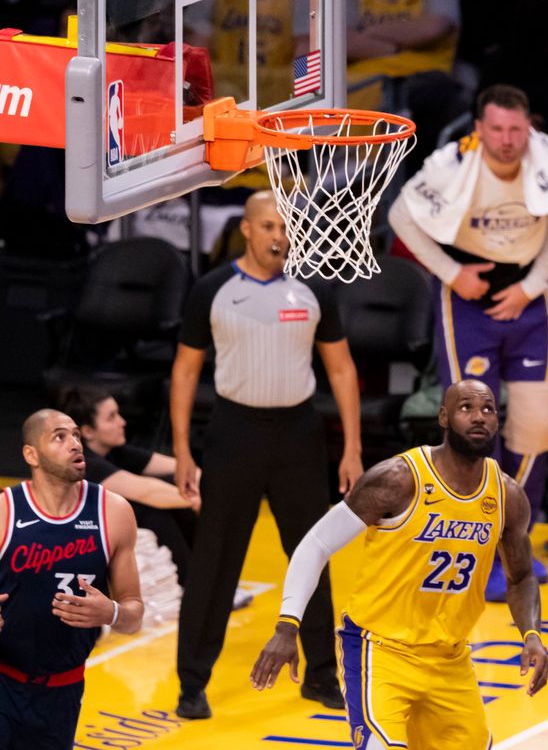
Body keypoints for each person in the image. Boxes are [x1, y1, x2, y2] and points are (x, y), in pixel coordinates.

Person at [250, 380, 548, 749]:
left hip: (449, 658)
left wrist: (531, 635)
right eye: (466, 407)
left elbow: (521, 577)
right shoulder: (398, 479)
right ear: (443, 416)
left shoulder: (507, 495)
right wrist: (287, 625)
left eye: (487, 409)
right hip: (381, 649)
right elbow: (316, 544)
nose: (478, 416)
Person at [170, 191, 363, 719]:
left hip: (299, 433)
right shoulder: (212, 289)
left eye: (286, 226)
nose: (279, 235)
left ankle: (322, 674)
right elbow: (186, 372)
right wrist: (183, 449)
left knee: (312, 553)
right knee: (216, 560)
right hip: (234, 432)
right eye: (269, 226)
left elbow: (342, 369)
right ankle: (193, 683)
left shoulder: (316, 286)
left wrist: (352, 447)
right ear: (248, 231)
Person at [389, 84, 548, 598]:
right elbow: (400, 216)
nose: (508, 140)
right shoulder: (452, 163)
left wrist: (531, 288)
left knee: (537, 425)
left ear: (528, 127)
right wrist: (453, 274)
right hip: (467, 295)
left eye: (517, 129)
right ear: (479, 127)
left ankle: (517, 542)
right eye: (497, 128)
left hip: (529, 296)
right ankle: (475, 547)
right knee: (474, 424)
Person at [0, 410, 143, 747]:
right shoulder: (5, 512)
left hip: (63, 692)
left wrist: (111, 613)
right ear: (31, 455)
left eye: (77, 435)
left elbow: (134, 613)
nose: (74, 444)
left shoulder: (113, 512)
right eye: (59, 436)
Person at [62, 387, 199, 585]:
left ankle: (204, 579)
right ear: (88, 431)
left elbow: (182, 469)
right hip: (75, 533)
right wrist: (198, 499)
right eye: (111, 417)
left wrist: (201, 485)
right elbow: (147, 492)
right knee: (152, 510)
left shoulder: (116, 450)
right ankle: (193, 584)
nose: (122, 422)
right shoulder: (85, 462)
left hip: (101, 525)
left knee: (175, 484)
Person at [185, 0, 309, 107]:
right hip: (223, 95)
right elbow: (197, 47)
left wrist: (303, 99)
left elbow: (304, 49)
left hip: (279, 98)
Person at [346, 0, 460, 80]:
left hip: (421, 78)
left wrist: (368, 33)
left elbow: (432, 28)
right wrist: (397, 46)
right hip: (359, 82)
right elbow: (342, 44)